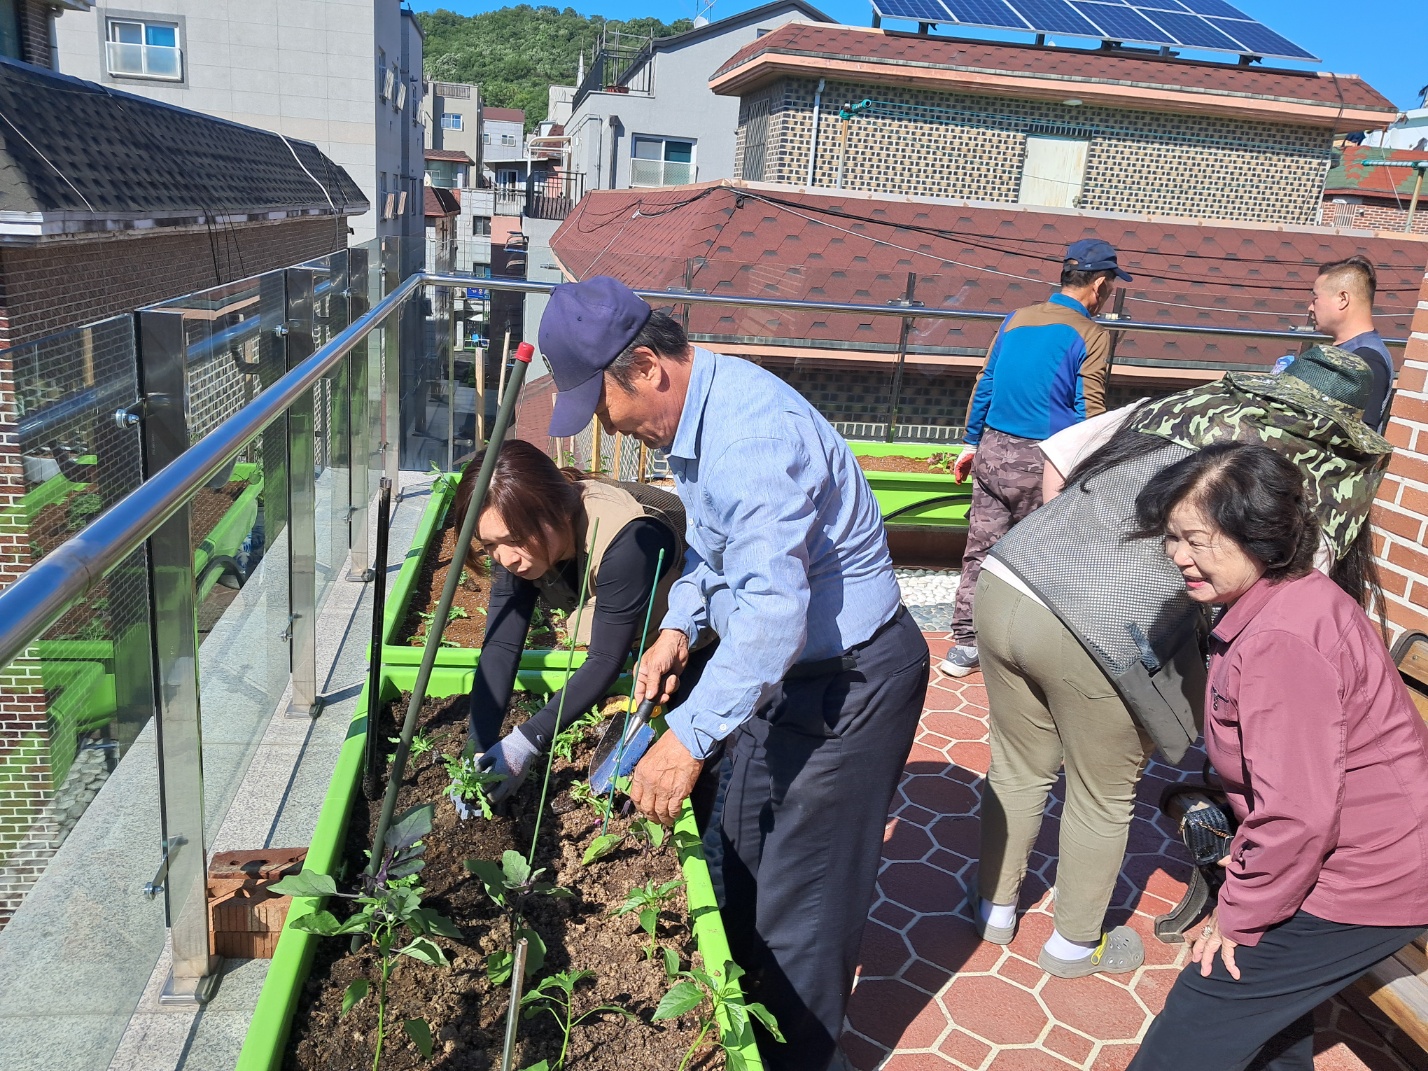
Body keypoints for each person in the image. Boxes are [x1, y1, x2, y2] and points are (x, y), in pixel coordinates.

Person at [538, 275, 929, 1071]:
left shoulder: (750, 438)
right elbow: (716, 556)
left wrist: (686, 737)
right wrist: (680, 624)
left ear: (646, 365)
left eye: (605, 406)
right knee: (740, 847)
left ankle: (801, 1057)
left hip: (851, 681)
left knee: (804, 908)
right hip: (790, 673)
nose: (610, 429)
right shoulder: (694, 421)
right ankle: (743, 1023)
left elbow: (772, 614)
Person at [969, 346, 1393, 977]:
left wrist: (1084, 539)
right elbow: (1293, 591)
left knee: (1019, 766)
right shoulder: (1307, 478)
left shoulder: (1182, 405)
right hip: (1103, 624)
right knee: (1103, 792)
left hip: (1009, 576)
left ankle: (992, 913)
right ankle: (1074, 945)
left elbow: (1057, 463)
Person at [1126, 443, 1428, 1071]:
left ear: (1257, 537)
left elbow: (1296, 817)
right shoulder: (1293, 595)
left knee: (1198, 1018)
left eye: (1196, 540)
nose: (1178, 556)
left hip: (1369, 878)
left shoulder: (1280, 641)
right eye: (1172, 538)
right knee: (1266, 1026)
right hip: (1357, 855)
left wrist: (1236, 917)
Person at [453, 438, 684, 806]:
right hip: (636, 618)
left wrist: (526, 741)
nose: (505, 558)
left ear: (555, 510)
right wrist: (478, 749)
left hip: (702, 627)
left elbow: (605, 660)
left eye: (512, 541)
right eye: (490, 546)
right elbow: (501, 645)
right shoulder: (519, 534)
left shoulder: (627, 538)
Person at [940, 238, 1129, 678]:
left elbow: (986, 382)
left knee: (980, 550)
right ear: (1100, 284)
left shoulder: (1016, 319)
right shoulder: (1092, 334)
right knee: (1043, 556)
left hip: (991, 449)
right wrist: (1092, 465)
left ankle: (964, 645)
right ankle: (1027, 651)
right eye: (1112, 286)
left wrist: (971, 443)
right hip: (1045, 460)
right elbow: (1090, 408)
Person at [1307, 254, 1395, 429]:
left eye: (1315, 298)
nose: (1310, 307)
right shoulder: (1350, 352)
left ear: (1343, 299)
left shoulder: (1367, 359)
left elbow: (1358, 439)